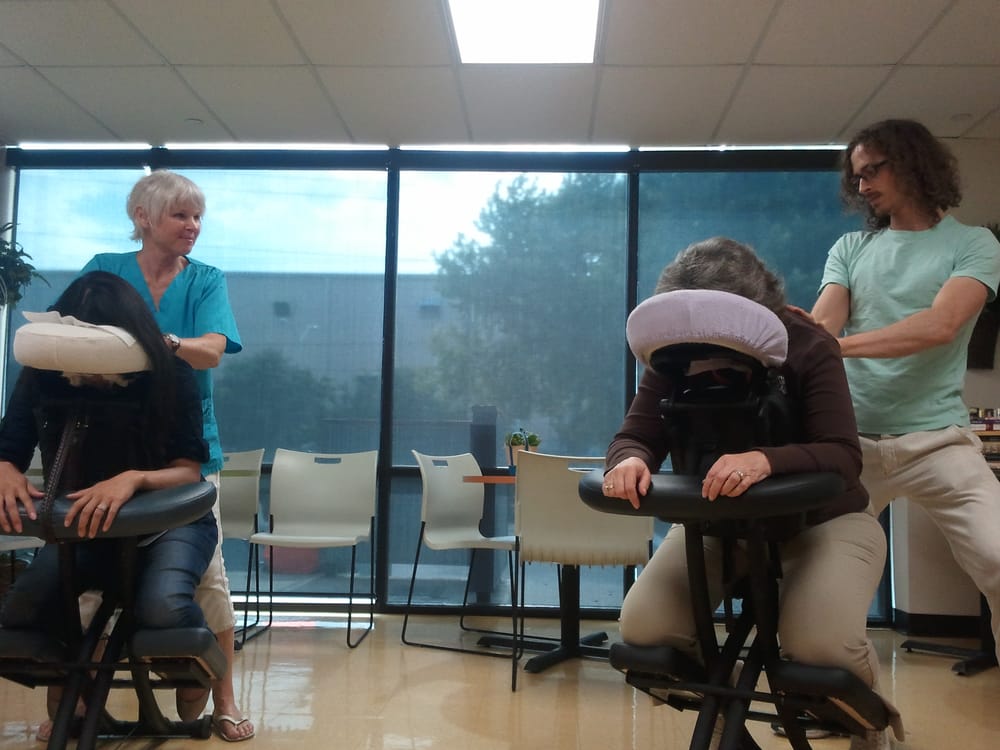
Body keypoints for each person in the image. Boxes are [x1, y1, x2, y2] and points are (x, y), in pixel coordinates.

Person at [603, 238, 902, 750]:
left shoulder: (808, 345)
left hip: (823, 522)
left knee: (821, 648)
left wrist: (766, 460)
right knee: (645, 630)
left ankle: (871, 723)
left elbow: (842, 454)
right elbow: (634, 435)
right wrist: (630, 459)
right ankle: (726, 711)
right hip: (718, 525)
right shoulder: (673, 355)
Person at [812, 121, 1000, 665]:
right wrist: (803, 334)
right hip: (853, 446)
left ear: (914, 165)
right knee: (817, 582)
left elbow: (941, 325)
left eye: (874, 170)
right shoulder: (851, 248)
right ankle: (838, 697)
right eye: (857, 176)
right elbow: (824, 326)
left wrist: (837, 348)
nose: (864, 185)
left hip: (938, 442)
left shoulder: (973, 243)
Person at [0, 271, 217, 740]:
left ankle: (192, 674)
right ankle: (70, 683)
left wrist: (133, 479)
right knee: (21, 615)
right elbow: (9, 446)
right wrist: (5, 470)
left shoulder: (170, 373)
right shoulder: (44, 373)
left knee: (163, 608)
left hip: (169, 522)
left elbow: (188, 471)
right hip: (84, 525)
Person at [80, 170, 252, 741]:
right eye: (180, 214)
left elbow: (211, 352)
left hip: (188, 450)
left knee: (209, 577)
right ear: (143, 218)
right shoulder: (105, 269)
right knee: (92, 577)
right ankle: (77, 699)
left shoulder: (205, 279)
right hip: (111, 449)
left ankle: (224, 698)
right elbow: (76, 340)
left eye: (197, 216)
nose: (192, 225)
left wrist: (157, 344)